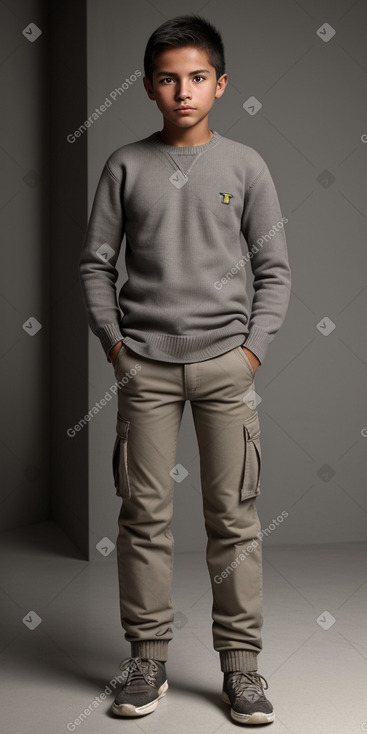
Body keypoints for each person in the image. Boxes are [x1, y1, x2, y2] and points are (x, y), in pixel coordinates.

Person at [78, 13, 291, 726]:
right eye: (168, 80)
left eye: (197, 78)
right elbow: (93, 266)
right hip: (145, 368)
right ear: (147, 88)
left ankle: (242, 670)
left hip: (226, 369)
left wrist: (251, 351)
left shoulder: (246, 165)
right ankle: (147, 660)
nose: (183, 91)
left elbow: (275, 272)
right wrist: (116, 347)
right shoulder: (124, 166)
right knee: (143, 518)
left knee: (234, 519)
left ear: (220, 84)